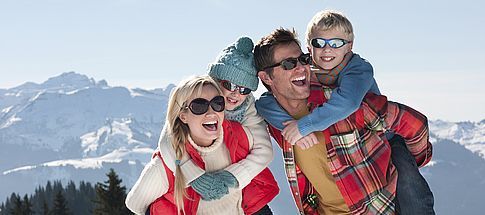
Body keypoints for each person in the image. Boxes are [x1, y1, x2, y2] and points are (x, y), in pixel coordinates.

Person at [256, 10, 434, 214]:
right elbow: (261, 104)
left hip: (380, 202)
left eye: (303, 60)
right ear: (266, 77)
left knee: (412, 188)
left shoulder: (351, 92)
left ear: (349, 46)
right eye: (289, 64)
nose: (301, 68)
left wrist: (415, 160)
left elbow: (415, 125)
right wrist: (288, 124)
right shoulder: (275, 119)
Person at [125, 76, 279, 215]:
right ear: (183, 116)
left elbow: (263, 152)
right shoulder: (165, 167)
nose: (211, 112)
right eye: (199, 106)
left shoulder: (239, 138)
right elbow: (135, 204)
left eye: (217, 103)